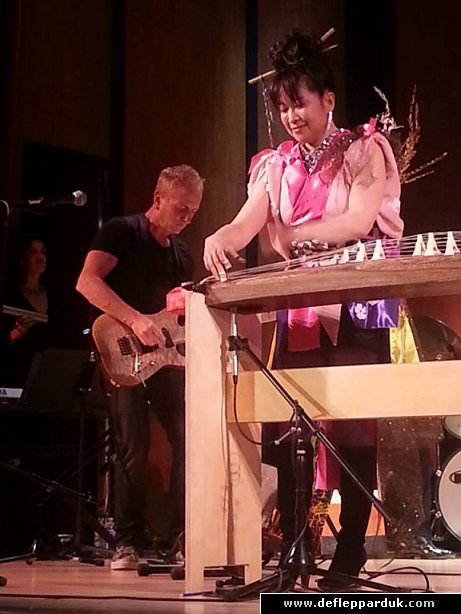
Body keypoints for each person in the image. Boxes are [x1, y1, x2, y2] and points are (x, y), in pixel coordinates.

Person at [203, 29, 404, 590]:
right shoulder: (276, 165)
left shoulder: (365, 150)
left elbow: (359, 220)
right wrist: (221, 236)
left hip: (356, 304)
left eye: (301, 103)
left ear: (328, 100)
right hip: (301, 308)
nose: (292, 116)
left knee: (354, 425)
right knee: (294, 423)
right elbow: (247, 221)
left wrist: (298, 234)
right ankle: (293, 550)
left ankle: (350, 552)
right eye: (284, 107)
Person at [76, 165, 203, 570]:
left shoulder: (182, 253)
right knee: (133, 445)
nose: (186, 218)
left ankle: (180, 537)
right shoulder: (121, 231)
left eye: (193, 212)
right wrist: (134, 320)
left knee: (188, 438)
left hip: (164, 358)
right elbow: (87, 282)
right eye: (181, 209)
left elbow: (175, 312)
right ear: (158, 198)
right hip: (122, 350)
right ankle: (126, 542)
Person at [1, 238, 51, 387]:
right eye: (33, 252)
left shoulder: (54, 296)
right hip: (17, 376)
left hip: (47, 375)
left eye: (43, 252)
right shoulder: (9, 297)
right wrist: (16, 334)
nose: (40, 257)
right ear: (22, 259)